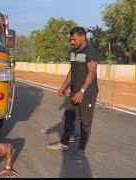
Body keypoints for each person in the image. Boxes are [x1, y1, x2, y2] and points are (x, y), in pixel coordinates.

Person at [47, 27, 100, 162]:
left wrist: (82, 91)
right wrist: (64, 86)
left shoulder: (91, 51)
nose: (72, 42)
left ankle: (81, 149)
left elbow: (91, 73)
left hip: (87, 93)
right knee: (69, 116)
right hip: (74, 91)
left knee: (85, 122)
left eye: (74, 39)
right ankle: (64, 143)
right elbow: (72, 70)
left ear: (82, 37)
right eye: (71, 39)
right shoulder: (74, 51)